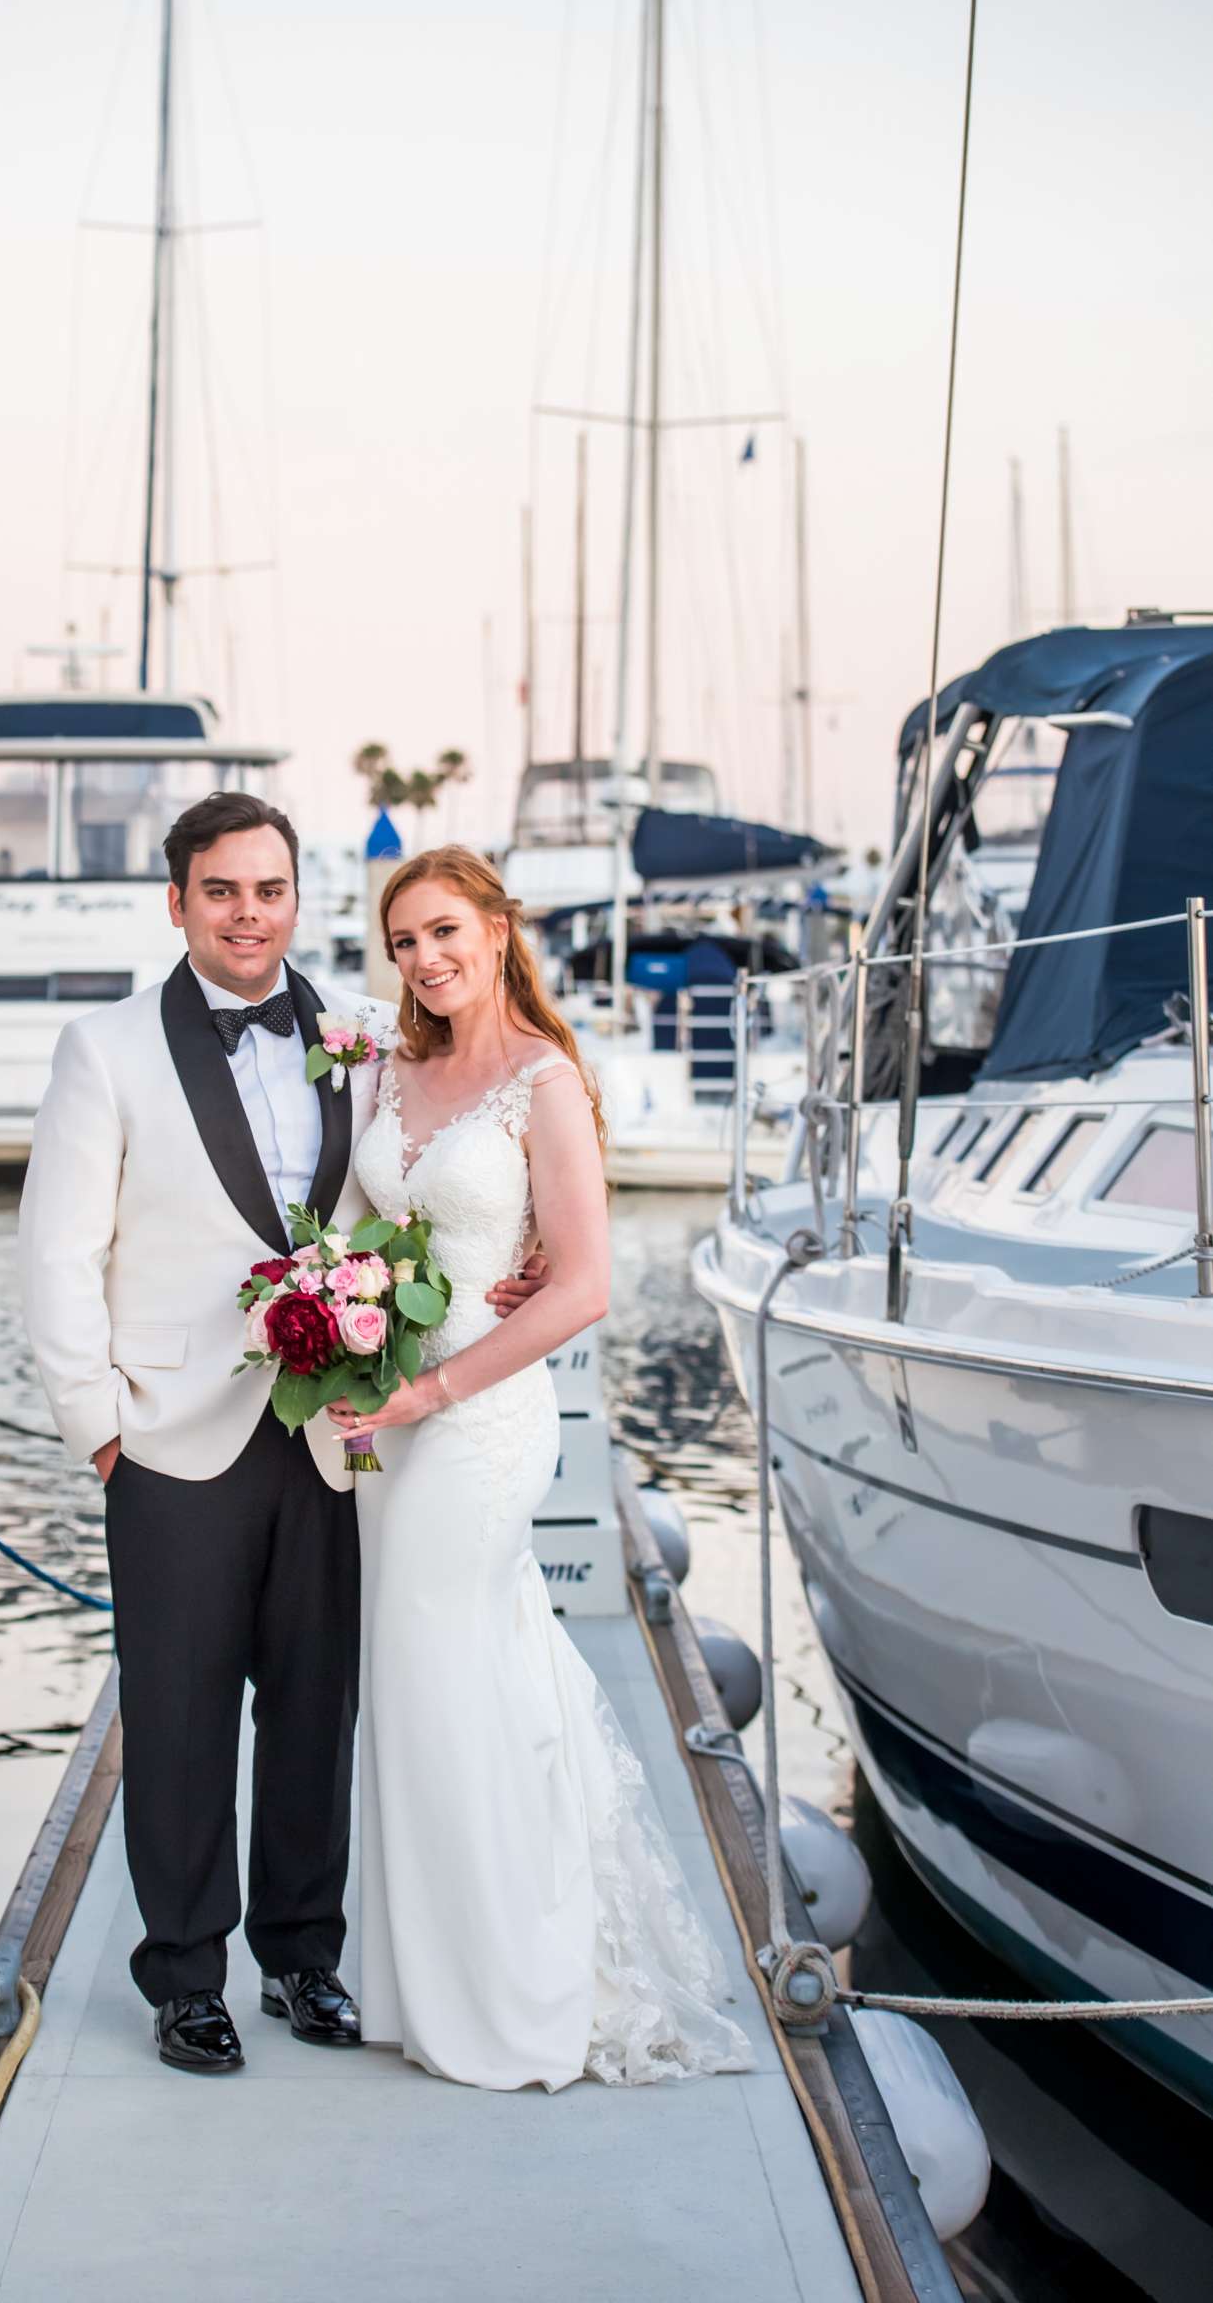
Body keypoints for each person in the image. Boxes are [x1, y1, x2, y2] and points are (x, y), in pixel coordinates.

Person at [17, 794, 539, 2076]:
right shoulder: (106, 1049)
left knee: (314, 1706)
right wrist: (99, 1435)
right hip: (168, 1438)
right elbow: (55, 1258)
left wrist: (517, 1256)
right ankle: (185, 1975)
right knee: (181, 1713)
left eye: (270, 890)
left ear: (298, 899)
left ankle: (306, 1960)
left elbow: (431, 1170)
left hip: (333, 1433)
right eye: (222, 892)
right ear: (180, 903)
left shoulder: (366, 1038)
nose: (249, 914)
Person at [332, 844, 752, 2090]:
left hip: (481, 1413)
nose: (427, 957)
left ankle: (513, 1995)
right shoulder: (393, 1071)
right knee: (427, 1684)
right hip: (389, 1416)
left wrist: (437, 1382)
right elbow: (366, 1239)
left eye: (446, 929)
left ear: (502, 928)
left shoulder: (544, 1083)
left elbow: (582, 1288)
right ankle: (424, 1980)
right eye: (405, 941)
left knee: (445, 1669)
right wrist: (337, 1321)